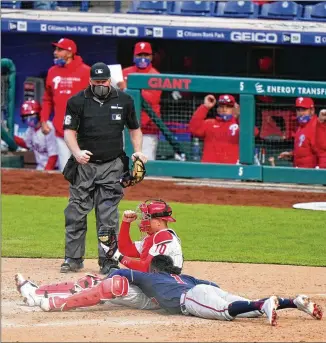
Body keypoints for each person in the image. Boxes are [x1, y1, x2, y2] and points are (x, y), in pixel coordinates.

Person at [15, 256, 323, 326]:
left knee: (227, 312)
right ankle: (290, 302)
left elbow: (121, 273)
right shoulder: (184, 277)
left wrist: (111, 274)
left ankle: (47, 297)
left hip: (191, 299)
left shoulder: (152, 279)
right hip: (200, 289)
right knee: (238, 303)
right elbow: (213, 287)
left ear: (155, 270)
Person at [61, 62, 147, 275]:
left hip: (112, 165)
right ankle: (73, 258)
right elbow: (69, 131)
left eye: (104, 81)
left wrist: (137, 151)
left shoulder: (125, 100)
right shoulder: (77, 101)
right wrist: (77, 152)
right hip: (84, 166)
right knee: (75, 213)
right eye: (96, 81)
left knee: (108, 216)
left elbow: (135, 129)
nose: (100, 84)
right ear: (90, 80)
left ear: (110, 80)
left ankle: (108, 260)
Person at [40, 38, 90, 171]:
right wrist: (44, 120)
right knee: (65, 169)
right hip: (60, 129)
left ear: (70, 53)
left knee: (84, 169)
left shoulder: (86, 71)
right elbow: (47, 99)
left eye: (59, 49)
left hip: (82, 131)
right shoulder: (52, 71)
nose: (55, 52)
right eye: (55, 49)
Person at [102, 198, 183, 272]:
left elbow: (146, 268)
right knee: (118, 274)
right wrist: (126, 222)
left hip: (165, 282)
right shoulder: (154, 238)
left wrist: (117, 256)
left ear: (159, 222)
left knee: (118, 275)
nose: (143, 221)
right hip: (158, 279)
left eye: (147, 218)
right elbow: (125, 249)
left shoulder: (164, 237)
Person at [117, 42, 162, 161]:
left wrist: (128, 89)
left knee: (145, 164)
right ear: (134, 57)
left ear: (151, 57)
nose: (143, 58)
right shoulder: (125, 73)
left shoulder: (156, 75)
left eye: (146, 55)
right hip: (126, 127)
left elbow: (153, 98)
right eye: (139, 55)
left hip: (147, 129)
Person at [189, 94, 258, 164]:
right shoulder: (209, 123)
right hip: (210, 168)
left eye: (228, 107)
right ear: (217, 109)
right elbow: (194, 129)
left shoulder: (240, 125)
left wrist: (240, 116)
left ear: (234, 109)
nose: (224, 109)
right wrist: (205, 107)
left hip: (232, 169)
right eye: (221, 106)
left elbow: (253, 133)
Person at [14, 100, 58, 170]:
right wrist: (10, 137)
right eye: (26, 117)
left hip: (55, 169)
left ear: (39, 114)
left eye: (31, 116)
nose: (29, 120)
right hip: (41, 167)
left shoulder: (48, 128)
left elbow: (54, 156)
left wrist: (45, 173)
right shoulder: (31, 129)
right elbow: (26, 143)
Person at [279, 97, 318, 168]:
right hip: (300, 171)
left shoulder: (316, 127)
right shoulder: (301, 126)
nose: (300, 113)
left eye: (304, 110)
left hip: (312, 173)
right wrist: (292, 155)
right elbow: (305, 149)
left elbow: (322, 154)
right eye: (298, 110)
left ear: (312, 110)